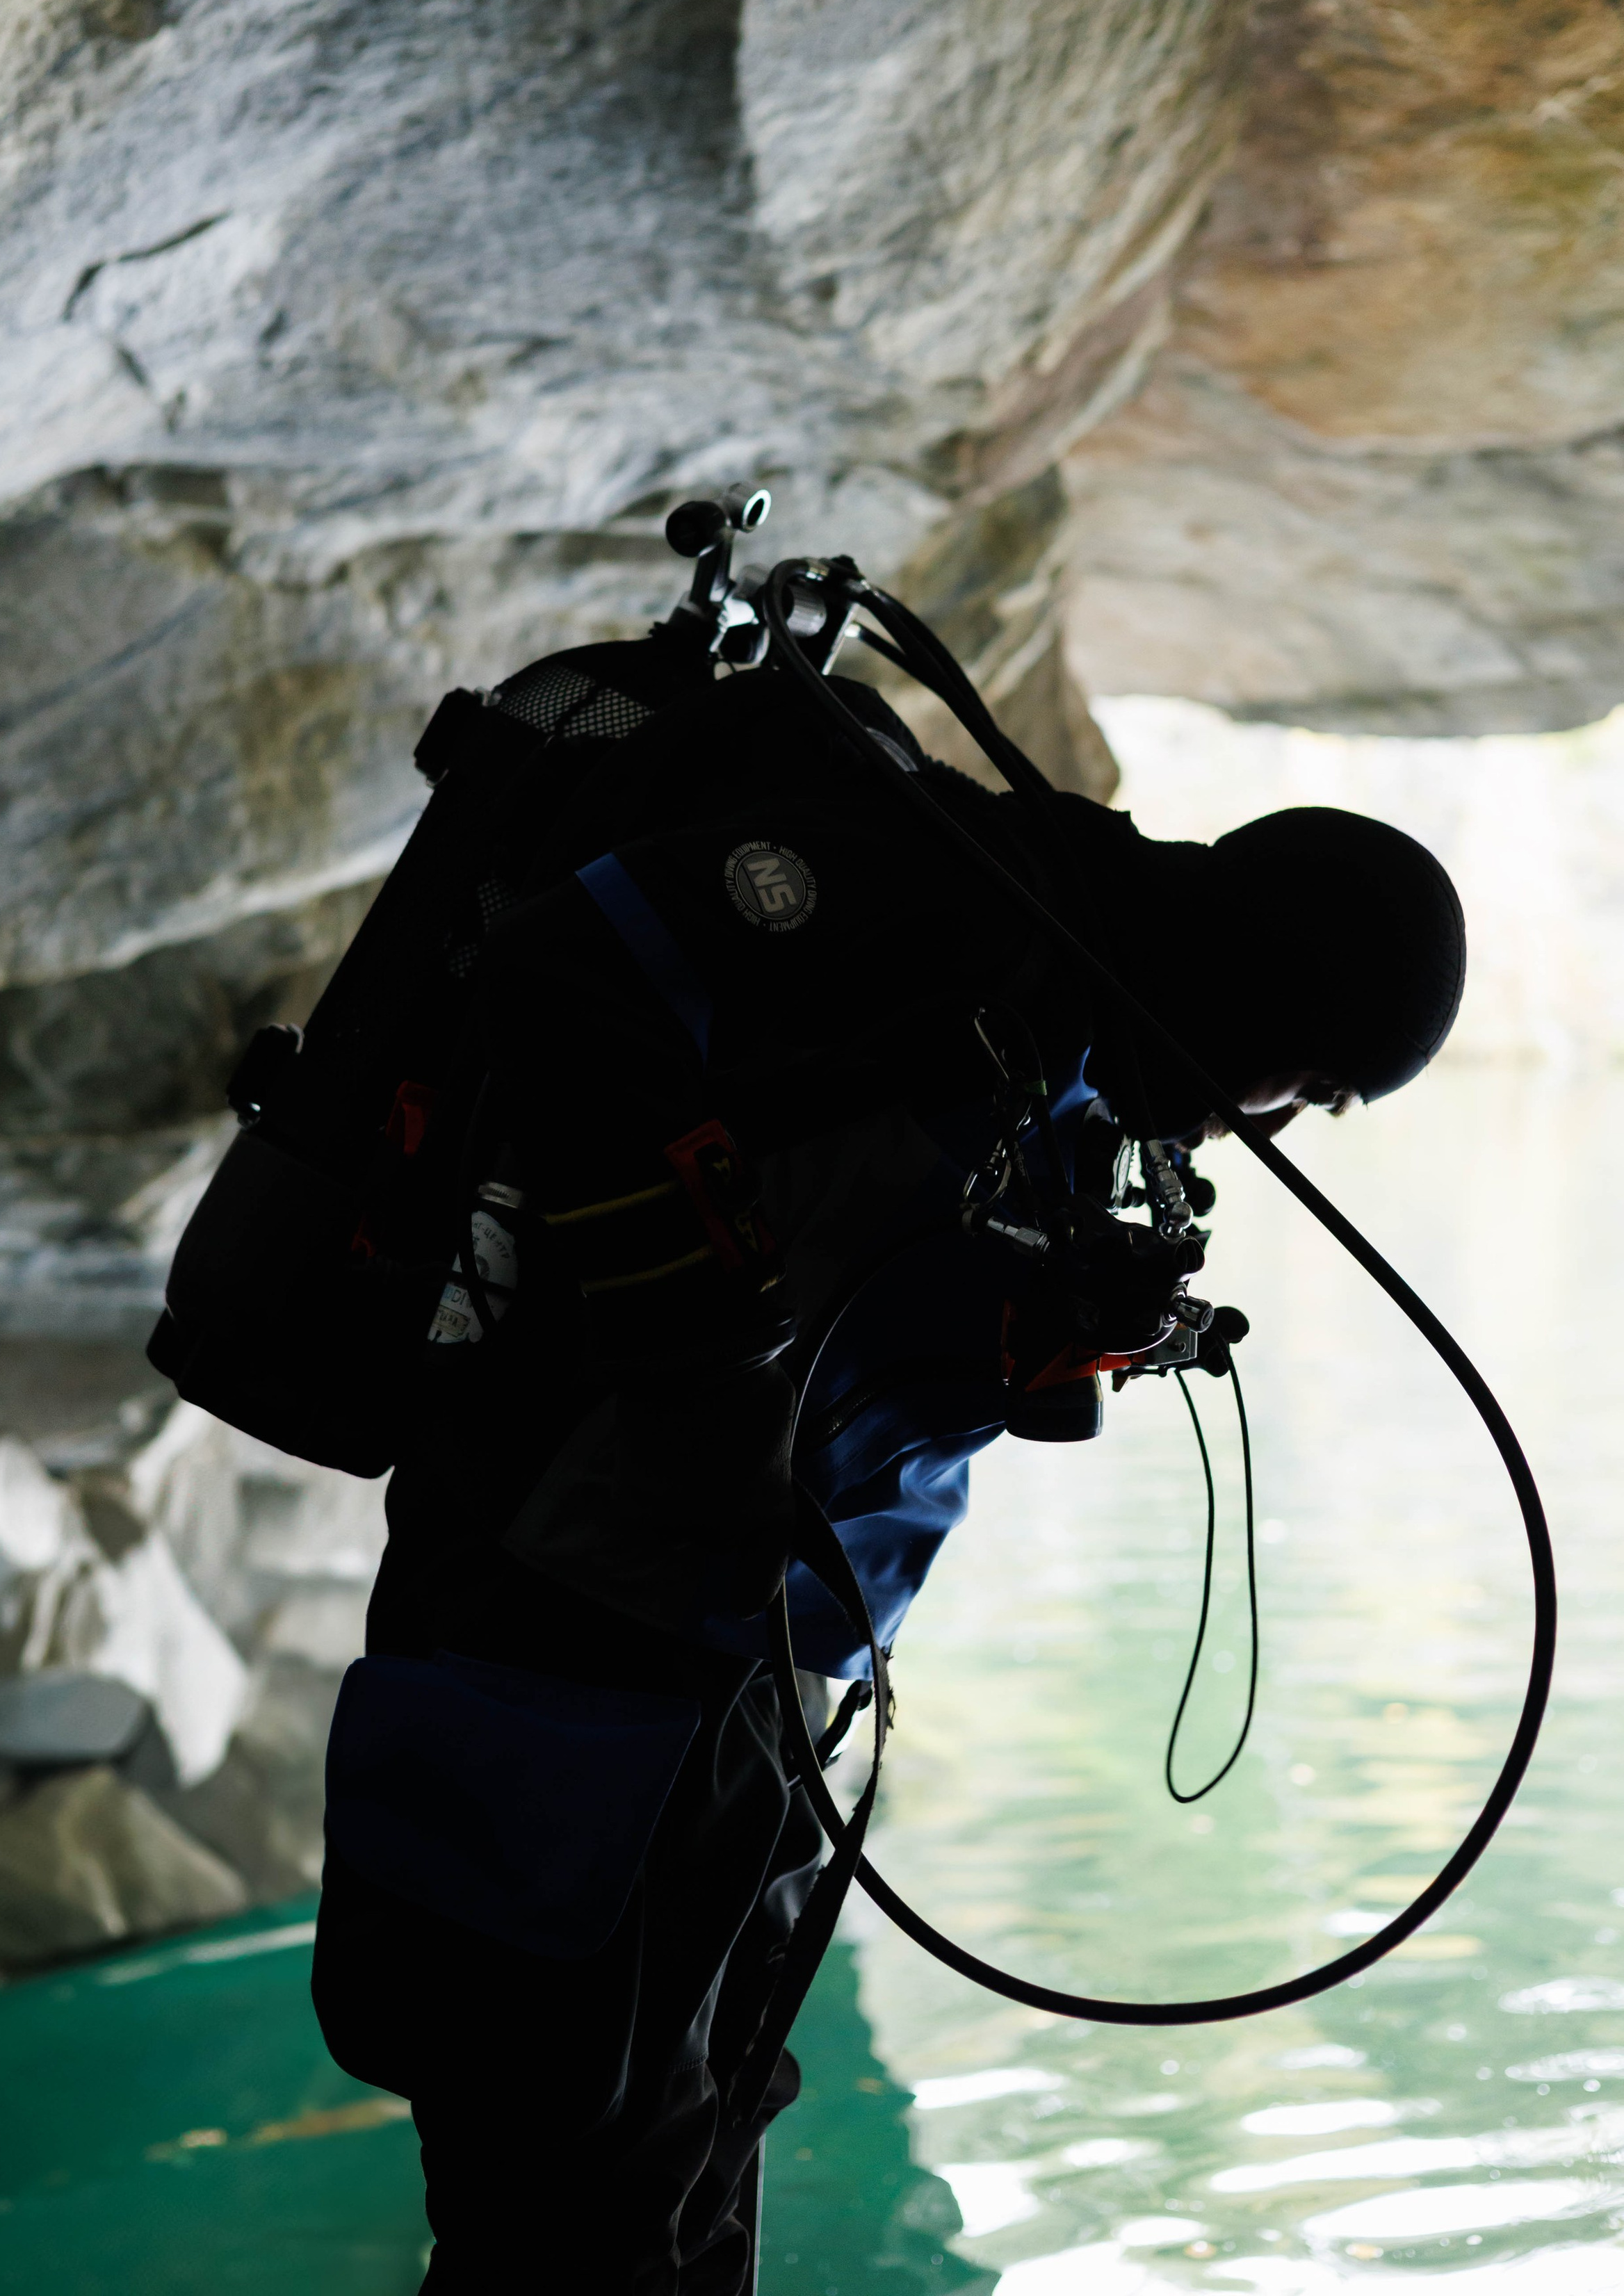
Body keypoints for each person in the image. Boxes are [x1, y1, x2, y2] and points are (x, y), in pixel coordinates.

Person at [149, 600, 1466, 2295]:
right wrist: (704, 1349)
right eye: (1287, 1083)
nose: (1254, 1123)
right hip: (579, 1635)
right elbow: (568, 963)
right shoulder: (936, 902)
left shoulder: (1062, 1036)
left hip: (748, 1683)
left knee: (692, 2156)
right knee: (559, 2193)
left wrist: (1015, 1336)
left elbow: (855, 1258)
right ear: (1259, 1001)